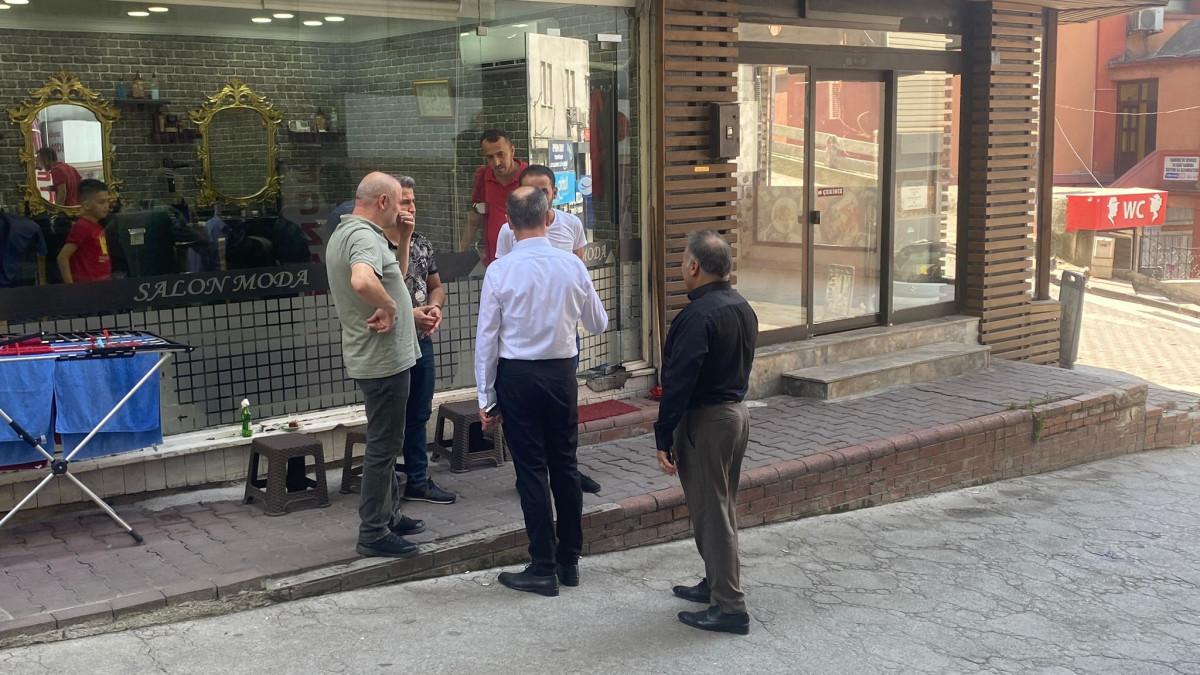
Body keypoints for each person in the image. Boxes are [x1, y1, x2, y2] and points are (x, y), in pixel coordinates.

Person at [476, 186, 608, 597]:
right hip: (560, 374)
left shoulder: (500, 270)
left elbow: (487, 340)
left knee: (531, 470)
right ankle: (569, 561)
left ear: (508, 224)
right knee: (565, 465)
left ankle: (543, 566)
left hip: (517, 376)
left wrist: (486, 399)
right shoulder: (572, 265)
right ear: (549, 218)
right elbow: (599, 323)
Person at [654, 230, 758, 636]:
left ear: (695, 266)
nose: (682, 266)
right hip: (736, 414)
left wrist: (663, 435)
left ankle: (730, 607)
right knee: (721, 506)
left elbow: (678, 381)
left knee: (712, 514)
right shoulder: (741, 306)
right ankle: (716, 583)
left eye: (683, 260)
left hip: (708, 421)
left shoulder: (697, 316)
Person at [325, 172, 426, 559]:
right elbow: (363, 281)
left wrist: (404, 239)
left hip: (382, 357)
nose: (403, 210)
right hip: (382, 360)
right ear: (383, 201)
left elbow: (392, 276)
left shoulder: (352, 233)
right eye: (399, 202)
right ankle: (373, 532)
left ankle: (389, 514)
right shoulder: (363, 236)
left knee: (388, 441)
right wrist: (391, 306)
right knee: (383, 446)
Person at [494, 164, 603, 496]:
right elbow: (501, 274)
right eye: (529, 190)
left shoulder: (572, 225)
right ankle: (532, 474)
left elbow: (581, 276)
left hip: (562, 334)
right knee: (530, 416)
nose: (536, 197)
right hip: (523, 340)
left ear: (554, 193)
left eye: (543, 190)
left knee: (563, 413)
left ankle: (566, 471)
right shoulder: (508, 232)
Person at [395, 175, 457, 505]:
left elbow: (436, 286)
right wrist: (410, 315)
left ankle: (417, 479)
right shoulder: (372, 245)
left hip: (421, 341)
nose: (412, 207)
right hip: (389, 343)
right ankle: (387, 483)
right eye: (405, 201)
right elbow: (378, 294)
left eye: (413, 201)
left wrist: (435, 308)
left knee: (419, 412)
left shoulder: (422, 243)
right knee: (392, 416)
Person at [460, 129, 527, 266]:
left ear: (512, 151)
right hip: (493, 261)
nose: (496, 162)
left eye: (500, 155)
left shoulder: (528, 176)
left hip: (523, 260)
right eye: (490, 157)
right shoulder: (483, 176)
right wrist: (462, 250)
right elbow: (475, 216)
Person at [56, 179, 112, 284]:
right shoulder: (82, 227)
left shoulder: (99, 227)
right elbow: (63, 257)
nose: (106, 206)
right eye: (101, 202)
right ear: (86, 205)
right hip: (87, 286)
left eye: (107, 201)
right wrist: (70, 285)